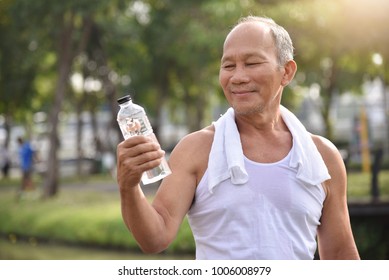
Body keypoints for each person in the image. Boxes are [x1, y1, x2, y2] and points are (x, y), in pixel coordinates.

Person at [116, 16, 360, 260]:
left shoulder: (322, 157)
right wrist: (129, 187)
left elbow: (340, 255)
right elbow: (155, 238)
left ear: (286, 72)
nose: (238, 77)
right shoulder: (197, 150)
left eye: (252, 63)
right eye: (228, 66)